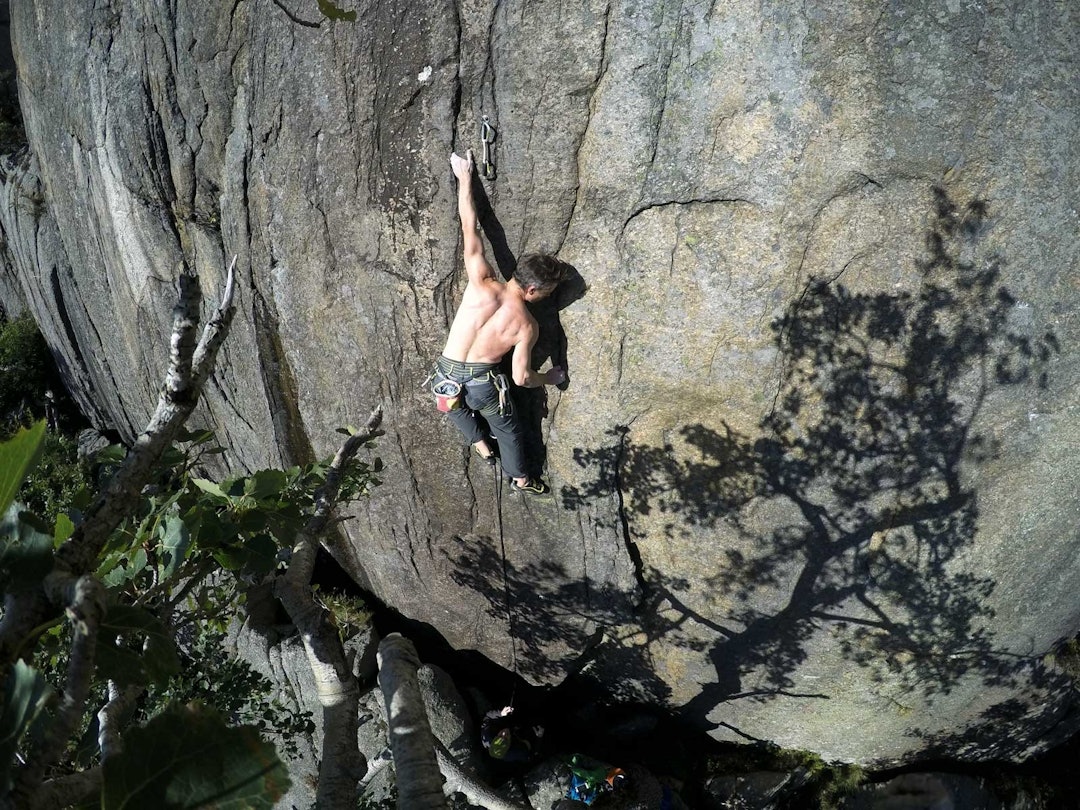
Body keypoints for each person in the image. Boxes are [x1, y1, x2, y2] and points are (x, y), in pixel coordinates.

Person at [430, 148, 566, 495]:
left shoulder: (480, 280)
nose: (547, 297)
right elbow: (521, 378)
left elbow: (469, 225)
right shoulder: (526, 325)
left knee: (451, 400)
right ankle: (521, 479)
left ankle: (478, 442)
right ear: (533, 289)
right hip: (482, 384)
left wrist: (464, 178)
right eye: (547, 292)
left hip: (446, 372)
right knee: (508, 429)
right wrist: (549, 377)